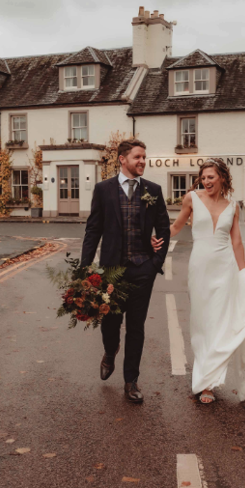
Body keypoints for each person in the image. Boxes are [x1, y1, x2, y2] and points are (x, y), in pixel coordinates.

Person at [153, 158, 245, 404]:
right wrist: (156, 239)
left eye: (211, 177)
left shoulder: (233, 206)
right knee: (202, 324)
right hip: (200, 269)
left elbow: (236, 242)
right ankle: (205, 375)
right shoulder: (192, 199)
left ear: (222, 178)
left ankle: (208, 384)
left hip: (226, 269)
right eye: (203, 178)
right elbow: (176, 227)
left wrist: (244, 273)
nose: (206, 181)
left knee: (219, 323)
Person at [80, 138, 171, 403]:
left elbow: (163, 228)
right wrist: (85, 268)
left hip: (143, 270)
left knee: (136, 327)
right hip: (112, 272)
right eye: (137, 157)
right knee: (110, 324)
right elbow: (93, 230)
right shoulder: (103, 189)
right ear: (123, 159)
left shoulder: (153, 190)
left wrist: (156, 262)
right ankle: (110, 352)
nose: (143, 161)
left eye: (144, 157)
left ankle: (131, 381)